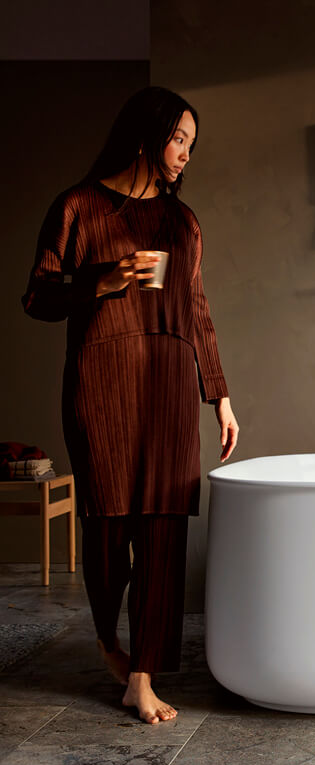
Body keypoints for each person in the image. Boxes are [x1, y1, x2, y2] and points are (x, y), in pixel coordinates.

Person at [22, 86, 239, 724]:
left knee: (165, 527)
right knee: (110, 527)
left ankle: (140, 673)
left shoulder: (182, 221)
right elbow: (37, 297)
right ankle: (109, 641)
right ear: (146, 137)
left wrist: (219, 395)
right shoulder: (78, 207)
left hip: (170, 383)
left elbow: (197, 310)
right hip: (102, 380)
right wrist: (103, 280)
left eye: (192, 146)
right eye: (178, 141)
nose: (185, 157)